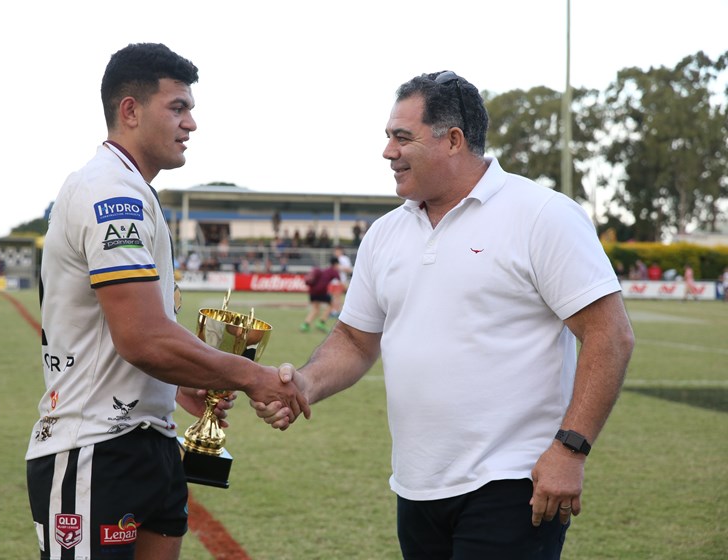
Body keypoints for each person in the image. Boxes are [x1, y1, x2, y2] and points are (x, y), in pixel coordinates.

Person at [254, 70, 634, 559]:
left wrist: (570, 450)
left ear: (453, 140)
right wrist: (306, 384)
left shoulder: (541, 214)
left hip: (513, 483)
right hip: (416, 486)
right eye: (388, 137)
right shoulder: (385, 233)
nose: (387, 151)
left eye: (401, 137)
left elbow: (610, 335)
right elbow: (354, 340)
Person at [25, 43, 309, 560]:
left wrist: (180, 383)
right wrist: (249, 375)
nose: (191, 123)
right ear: (130, 111)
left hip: (147, 440)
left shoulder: (134, 191)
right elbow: (142, 337)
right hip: (95, 446)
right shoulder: (111, 192)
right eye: (178, 107)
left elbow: (128, 332)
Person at [300, 256, 340, 333]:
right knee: (331, 304)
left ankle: (305, 325)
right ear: (336, 264)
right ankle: (321, 323)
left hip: (313, 291)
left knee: (315, 309)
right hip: (321, 292)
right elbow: (341, 283)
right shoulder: (333, 271)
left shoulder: (325, 269)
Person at [329, 246, 353, 317]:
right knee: (334, 297)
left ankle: (337, 311)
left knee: (338, 296)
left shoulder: (344, 259)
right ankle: (334, 310)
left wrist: (339, 267)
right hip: (333, 281)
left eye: (338, 251)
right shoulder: (334, 258)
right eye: (335, 251)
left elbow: (349, 269)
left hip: (340, 281)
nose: (336, 252)